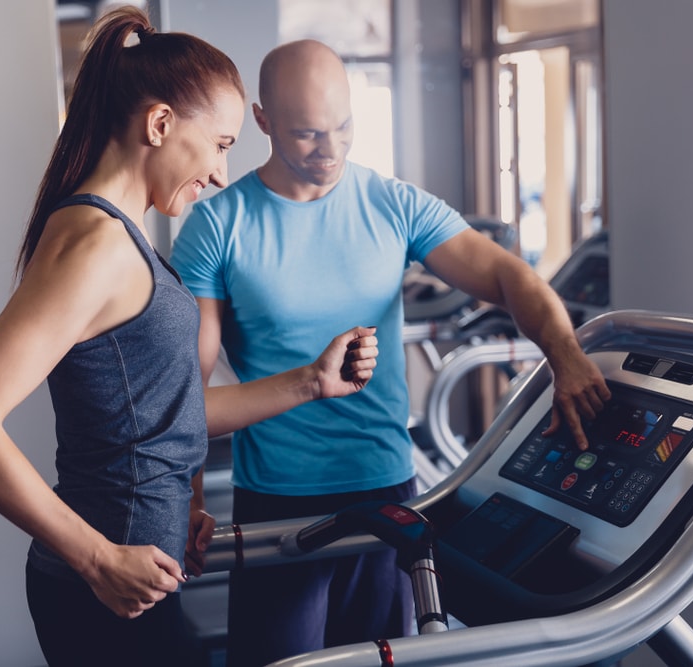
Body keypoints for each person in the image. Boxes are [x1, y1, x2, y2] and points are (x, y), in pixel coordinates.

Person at [0, 10, 379, 667]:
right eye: (220, 143)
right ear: (160, 124)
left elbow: (162, 414)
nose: (222, 172)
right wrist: (97, 557)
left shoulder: (118, 235)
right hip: (105, 592)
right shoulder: (97, 245)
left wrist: (311, 381)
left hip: (135, 578)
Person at [169, 38, 612, 665]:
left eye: (342, 127)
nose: (330, 150)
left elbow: (508, 275)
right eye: (306, 134)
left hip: (386, 489)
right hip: (276, 496)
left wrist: (565, 355)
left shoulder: (393, 203)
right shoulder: (218, 224)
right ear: (263, 121)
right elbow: (188, 381)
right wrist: (188, 497)